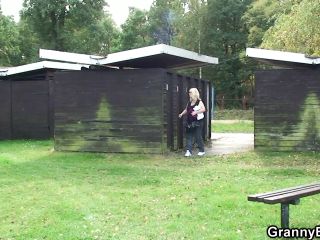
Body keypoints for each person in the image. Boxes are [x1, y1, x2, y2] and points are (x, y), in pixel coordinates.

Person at [178, 88, 206, 157]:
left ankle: (201, 151)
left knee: (198, 136)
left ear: (194, 93)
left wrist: (196, 112)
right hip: (189, 121)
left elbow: (204, 109)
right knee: (189, 136)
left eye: (190, 92)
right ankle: (188, 151)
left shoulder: (199, 102)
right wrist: (181, 114)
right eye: (189, 92)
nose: (189, 93)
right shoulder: (189, 102)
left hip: (198, 122)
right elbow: (186, 109)